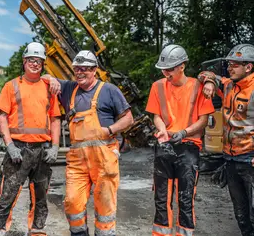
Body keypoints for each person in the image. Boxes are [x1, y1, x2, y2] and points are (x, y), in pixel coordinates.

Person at [44, 50, 134, 236]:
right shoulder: (69, 89)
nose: (79, 73)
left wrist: (109, 130)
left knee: (105, 206)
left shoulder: (109, 90)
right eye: (77, 69)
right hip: (77, 162)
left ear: (94, 70)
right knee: (72, 202)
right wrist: (51, 79)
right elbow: (43, 76)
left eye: (84, 69)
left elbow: (128, 119)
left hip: (104, 159)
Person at [0, 42, 61, 236]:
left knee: (41, 197)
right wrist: (9, 145)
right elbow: (1, 116)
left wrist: (55, 146)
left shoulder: (48, 87)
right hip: (18, 149)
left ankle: (37, 231)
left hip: (42, 151)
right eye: (31, 60)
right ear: (24, 61)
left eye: (39, 61)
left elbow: (55, 119)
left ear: (43, 64)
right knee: (7, 195)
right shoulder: (11, 86)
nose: (34, 64)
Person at [145, 44, 214, 236]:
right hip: (165, 145)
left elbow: (204, 119)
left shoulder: (198, 87)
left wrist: (184, 132)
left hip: (189, 147)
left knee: (185, 198)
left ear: (182, 66)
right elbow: (156, 115)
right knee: (161, 198)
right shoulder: (157, 86)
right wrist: (162, 131)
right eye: (163, 70)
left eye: (169, 69)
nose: (166, 73)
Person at [198, 44, 254, 236]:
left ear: (249, 67)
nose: (230, 68)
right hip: (230, 159)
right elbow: (204, 73)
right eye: (229, 64)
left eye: (235, 65)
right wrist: (210, 82)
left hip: (250, 160)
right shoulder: (229, 84)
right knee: (240, 213)